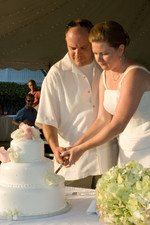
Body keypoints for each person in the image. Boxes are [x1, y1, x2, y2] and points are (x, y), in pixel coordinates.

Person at [36, 18, 118, 189]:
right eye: (72, 48)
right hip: (74, 165)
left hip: (109, 159)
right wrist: (54, 146)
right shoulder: (56, 75)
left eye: (83, 48)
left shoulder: (106, 67)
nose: (77, 53)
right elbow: (47, 120)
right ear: (66, 42)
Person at [61, 20, 150, 169]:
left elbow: (118, 124)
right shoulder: (105, 76)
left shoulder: (135, 75)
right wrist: (75, 147)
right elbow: (103, 119)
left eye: (104, 53)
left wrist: (82, 149)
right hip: (127, 150)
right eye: (95, 53)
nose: (98, 59)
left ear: (121, 49)